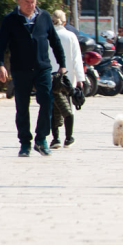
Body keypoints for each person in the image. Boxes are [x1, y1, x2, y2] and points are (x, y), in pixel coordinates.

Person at [0, 0, 67, 156]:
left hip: (42, 68)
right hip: (21, 69)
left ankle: (41, 139)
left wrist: (62, 64)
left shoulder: (44, 17)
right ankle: (25, 143)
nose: (30, 5)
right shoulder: (10, 20)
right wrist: (0, 65)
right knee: (22, 106)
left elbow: (55, 42)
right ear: (19, 1)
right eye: (26, 2)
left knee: (47, 100)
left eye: (32, 2)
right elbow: (0, 45)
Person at [47, 10, 84, 150]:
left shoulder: (47, 36)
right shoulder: (70, 36)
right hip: (66, 78)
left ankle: (55, 138)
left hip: (50, 77)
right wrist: (80, 79)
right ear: (64, 21)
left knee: (53, 107)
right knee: (68, 107)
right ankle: (68, 138)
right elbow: (76, 60)